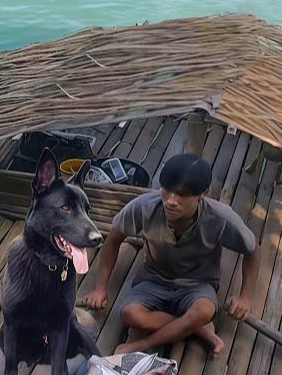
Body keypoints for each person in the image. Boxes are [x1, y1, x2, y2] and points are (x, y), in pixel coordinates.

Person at [83, 153, 258, 357]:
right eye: (167, 191)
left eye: (182, 195)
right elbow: (113, 239)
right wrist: (100, 288)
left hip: (197, 283)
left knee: (204, 310)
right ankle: (198, 328)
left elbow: (253, 250)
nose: (171, 201)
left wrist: (245, 297)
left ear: (203, 194)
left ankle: (140, 346)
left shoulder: (220, 218)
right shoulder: (144, 207)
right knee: (130, 314)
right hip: (154, 279)